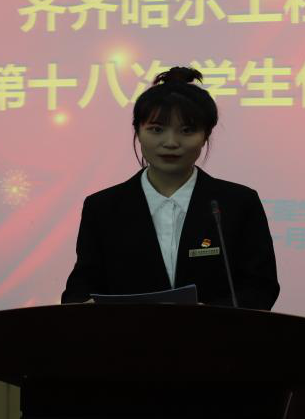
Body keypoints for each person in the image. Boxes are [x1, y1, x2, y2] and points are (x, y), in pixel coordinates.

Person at [61, 66, 279, 309]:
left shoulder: (237, 203)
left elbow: (261, 287)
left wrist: (211, 315)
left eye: (187, 130)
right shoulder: (103, 207)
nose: (171, 142)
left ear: (205, 136)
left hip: (214, 333)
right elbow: (80, 288)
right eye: (156, 129)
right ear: (138, 131)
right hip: (126, 333)